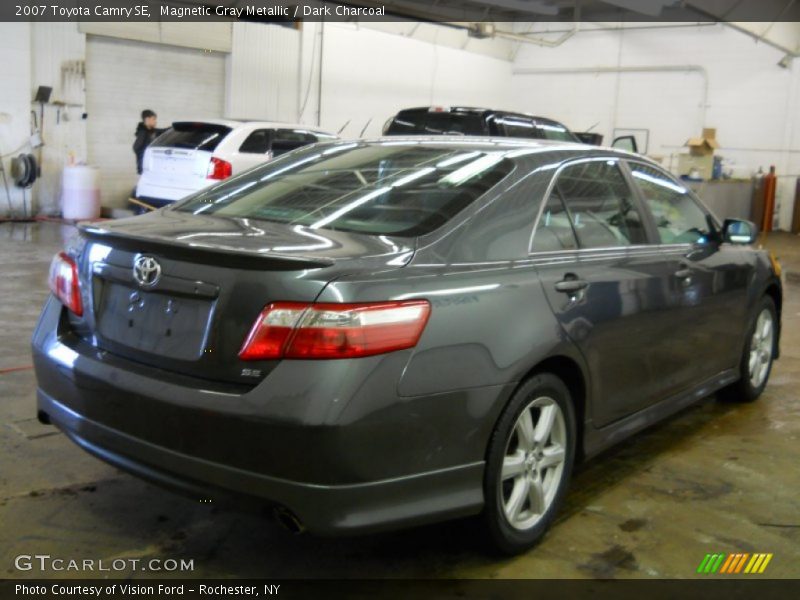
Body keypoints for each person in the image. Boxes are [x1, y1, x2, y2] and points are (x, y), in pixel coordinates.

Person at [132, 109, 162, 175]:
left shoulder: (152, 132)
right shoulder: (143, 133)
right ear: (147, 119)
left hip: (149, 167)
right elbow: (136, 147)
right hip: (145, 168)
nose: (155, 121)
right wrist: (144, 160)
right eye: (153, 119)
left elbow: (162, 131)